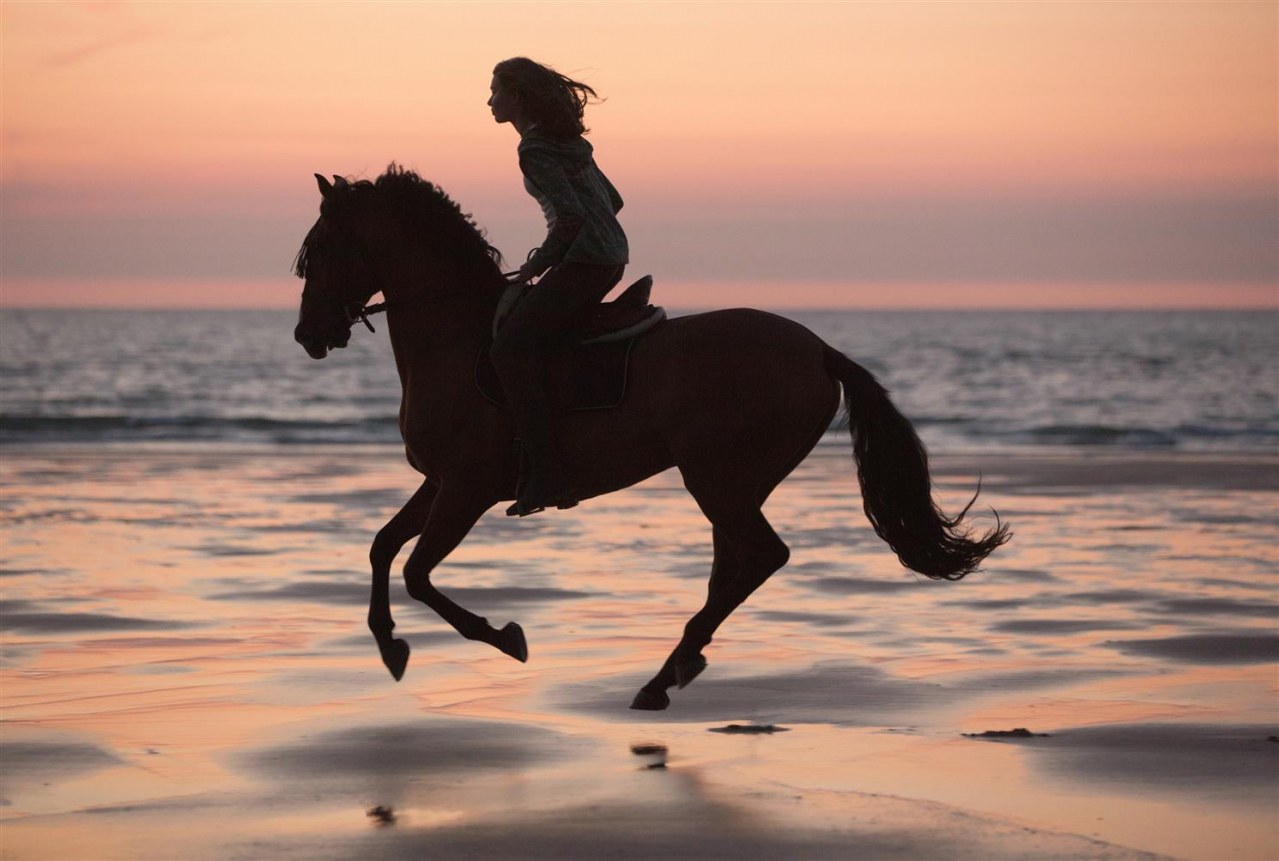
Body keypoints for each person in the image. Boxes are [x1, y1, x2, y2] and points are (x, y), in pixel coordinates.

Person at [487, 57, 629, 517]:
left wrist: (534, 267)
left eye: (496, 91)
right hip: (610, 258)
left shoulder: (535, 149)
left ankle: (547, 472)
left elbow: (570, 217)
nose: (490, 101)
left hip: (584, 260)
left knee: (510, 349)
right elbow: (613, 201)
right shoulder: (571, 144)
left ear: (518, 97)